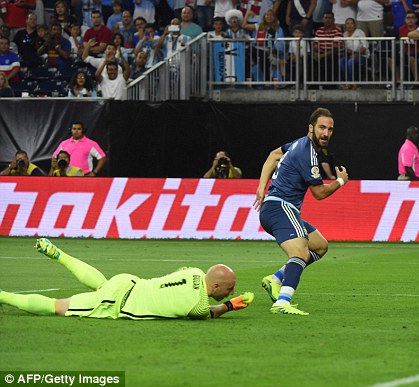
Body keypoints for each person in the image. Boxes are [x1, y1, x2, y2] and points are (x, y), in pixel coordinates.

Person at [0, 238, 254, 320]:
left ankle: (59, 254)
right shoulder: (198, 307)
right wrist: (231, 306)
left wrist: (228, 302)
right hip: (117, 303)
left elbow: (181, 277)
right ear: (217, 286)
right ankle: (2, 295)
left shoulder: (194, 271)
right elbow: (206, 312)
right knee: (56, 306)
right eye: (230, 289)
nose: (231, 293)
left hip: (129, 282)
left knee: (101, 283)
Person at [253, 107, 349, 316]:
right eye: (322, 127)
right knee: (300, 252)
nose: (326, 133)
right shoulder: (308, 154)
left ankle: (276, 279)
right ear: (311, 128)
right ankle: (282, 301)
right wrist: (341, 181)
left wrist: (262, 186)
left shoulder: (297, 143)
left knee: (320, 246)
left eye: (330, 129)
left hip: (279, 208)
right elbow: (319, 193)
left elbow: (273, 155)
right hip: (281, 207)